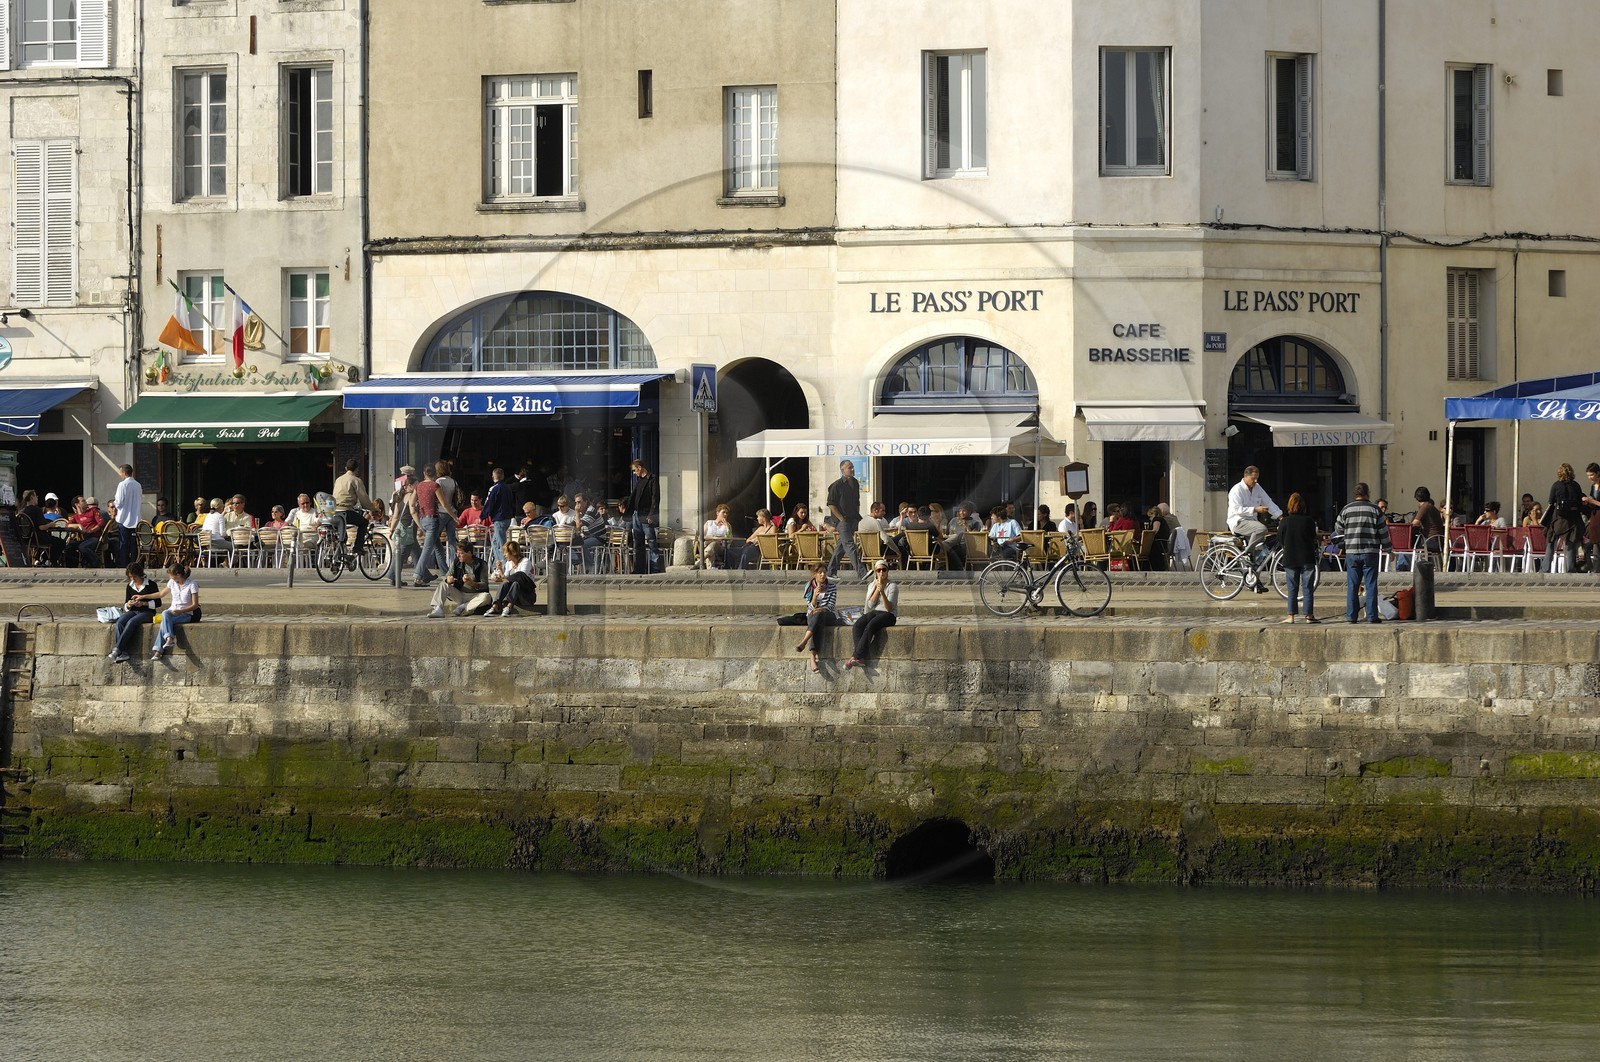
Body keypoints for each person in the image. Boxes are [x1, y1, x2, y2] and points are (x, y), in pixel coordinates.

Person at [1334, 482, 1386, 624]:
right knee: (1371, 584)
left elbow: (1338, 529)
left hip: (1351, 551)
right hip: (1370, 552)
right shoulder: (1375, 510)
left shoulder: (1346, 509)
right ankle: (1371, 616)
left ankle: (1351, 616)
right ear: (1367, 493)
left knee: (1352, 585)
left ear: (1355, 494)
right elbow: (1383, 531)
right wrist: (1388, 549)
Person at [845, 559, 899, 670]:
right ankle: (860, 657)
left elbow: (889, 608)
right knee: (858, 626)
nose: (881, 573)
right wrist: (877, 589)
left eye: (884, 570)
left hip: (888, 615)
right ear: (875, 572)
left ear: (887, 571)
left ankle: (856, 656)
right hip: (875, 612)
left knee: (871, 626)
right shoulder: (872, 585)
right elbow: (870, 604)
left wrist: (883, 592)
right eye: (878, 570)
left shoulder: (892, 586)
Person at [1277, 492, 1320, 624]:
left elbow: (1280, 539)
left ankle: (1291, 616)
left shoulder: (1285, 521)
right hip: (1307, 557)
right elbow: (1314, 538)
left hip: (1290, 557)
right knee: (1307, 587)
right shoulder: (1309, 521)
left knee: (1292, 587)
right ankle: (1309, 615)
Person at [107, 562, 163, 663]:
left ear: (140, 575)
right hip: (134, 610)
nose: (133, 579)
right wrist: (129, 604)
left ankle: (117, 649)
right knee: (120, 622)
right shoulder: (130, 586)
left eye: (134, 577)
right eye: (130, 577)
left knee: (131, 622)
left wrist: (143, 604)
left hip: (147, 612)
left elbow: (158, 603)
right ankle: (123, 653)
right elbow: (126, 605)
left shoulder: (151, 585)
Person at [791, 562, 838, 673]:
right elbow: (810, 607)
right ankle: (812, 658)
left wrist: (820, 609)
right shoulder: (810, 587)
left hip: (828, 615)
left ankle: (804, 641)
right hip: (814, 616)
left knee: (818, 615)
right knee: (817, 621)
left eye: (824, 572)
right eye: (820, 572)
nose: (822, 575)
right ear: (815, 574)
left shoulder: (832, 587)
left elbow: (830, 606)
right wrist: (815, 597)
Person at [1227, 465, 1281, 561]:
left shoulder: (1257, 487)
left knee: (1261, 552)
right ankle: (1248, 553)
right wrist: (1255, 509)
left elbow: (1267, 501)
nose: (1255, 481)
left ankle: (1251, 568)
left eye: (1257, 478)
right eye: (1253, 478)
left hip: (1252, 522)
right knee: (1261, 529)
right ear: (1246, 476)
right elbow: (1237, 509)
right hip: (1238, 521)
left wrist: (1279, 516)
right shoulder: (1236, 490)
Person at [825, 460, 866, 579]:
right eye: (849, 467)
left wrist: (857, 515)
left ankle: (831, 571)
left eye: (852, 467)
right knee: (849, 545)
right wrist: (841, 518)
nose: (852, 469)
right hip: (842, 521)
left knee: (841, 547)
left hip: (853, 519)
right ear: (842, 470)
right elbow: (831, 504)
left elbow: (857, 500)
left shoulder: (855, 483)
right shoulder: (836, 485)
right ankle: (861, 572)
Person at [427, 541, 491, 618]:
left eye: (461, 553)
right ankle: (438, 609)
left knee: (486, 597)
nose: (458, 555)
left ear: (469, 553)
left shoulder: (481, 564)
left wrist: (473, 583)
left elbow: (484, 584)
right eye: (457, 553)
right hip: (460, 594)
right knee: (443, 585)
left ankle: (464, 607)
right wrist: (448, 580)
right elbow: (446, 576)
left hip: (475, 596)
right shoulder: (457, 562)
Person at [151, 561, 201, 658]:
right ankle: (168, 639)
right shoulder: (172, 583)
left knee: (165, 619)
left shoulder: (192, 584)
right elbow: (161, 594)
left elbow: (195, 605)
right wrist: (143, 596)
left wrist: (180, 611)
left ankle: (159, 649)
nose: (170, 579)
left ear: (178, 575)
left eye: (172, 576)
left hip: (186, 614)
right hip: (173, 612)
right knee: (166, 616)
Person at [1543, 462, 1584, 574]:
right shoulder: (1576, 485)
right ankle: (1571, 568)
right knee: (1570, 542)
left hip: (1558, 517)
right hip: (1573, 518)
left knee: (1551, 541)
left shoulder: (1556, 485)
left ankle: (1545, 568)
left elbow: (1551, 501)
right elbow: (1580, 502)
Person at [411, 464, 447, 587]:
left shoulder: (418, 486)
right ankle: (417, 576)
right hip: (433, 519)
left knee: (438, 548)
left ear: (424, 473)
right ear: (435, 474)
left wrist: (418, 523)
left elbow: (412, 504)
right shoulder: (435, 486)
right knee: (427, 549)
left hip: (423, 519)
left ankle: (446, 574)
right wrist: (453, 516)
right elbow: (443, 503)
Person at [333, 458, 376, 561]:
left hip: (334, 512)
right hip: (345, 511)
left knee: (343, 535)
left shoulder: (338, 479)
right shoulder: (356, 480)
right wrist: (373, 509)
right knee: (363, 522)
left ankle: (338, 559)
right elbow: (364, 499)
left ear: (346, 468)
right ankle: (358, 547)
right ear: (357, 469)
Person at [485, 540, 538, 617]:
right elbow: (506, 578)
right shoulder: (509, 563)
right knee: (505, 583)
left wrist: (504, 579)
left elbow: (521, 576)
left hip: (527, 595)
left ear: (513, 552)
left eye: (506, 552)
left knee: (516, 583)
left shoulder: (525, 561)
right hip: (513, 595)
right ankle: (495, 606)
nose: (504, 555)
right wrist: (500, 570)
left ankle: (509, 607)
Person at [626, 459, 660, 574]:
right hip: (636, 515)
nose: (634, 473)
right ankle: (639, 568)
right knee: (638, 543)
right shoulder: (639, 481)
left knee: (651, 542)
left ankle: (654, 568)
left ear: (640, 467)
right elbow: (633, 497)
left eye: (635, 470)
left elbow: (656, 498)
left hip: (646, 515)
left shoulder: (652, 479)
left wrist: (652, 515)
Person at [483, 467, 516, 575]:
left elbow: (489, 503)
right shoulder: (508, 488)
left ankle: (505, 567)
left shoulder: (494, 488)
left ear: (493, 477)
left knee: (501, 544)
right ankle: (497, 565)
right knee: (495, 542)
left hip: (499, 518)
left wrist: (483, 515)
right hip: (507, 518)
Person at [112, 463, 141, 568]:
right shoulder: (138, 485)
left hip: (124, 518)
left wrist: (115, 504)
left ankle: (124, 564)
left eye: (120, 472)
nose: (120, 474)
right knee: (133, 544)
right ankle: (134, 565)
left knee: (123, 543)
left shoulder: (122, 484)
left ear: (124, 472)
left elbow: (119, 502)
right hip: (135, 519)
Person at [1411, 486, 1445, 564]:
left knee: (1405, 544)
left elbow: (1415, 523)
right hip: (1437, 540)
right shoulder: (1431, 507)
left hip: (1431, 541)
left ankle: (1403, 567)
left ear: (1417, 497)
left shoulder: (1424, 507)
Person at [71, 496, 107, 567]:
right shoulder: (75, 516)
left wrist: (91, 530)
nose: (86, 502)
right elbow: (67, 525)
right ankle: (75, 564)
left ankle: (96, 562)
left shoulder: (93, 511)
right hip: (83, 538)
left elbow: (101, 522)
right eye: (83, 501)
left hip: (94, 537)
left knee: (82, 547)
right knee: (69, 546)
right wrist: (78, 525)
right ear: (77, 504)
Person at [701, 503, 736, 569]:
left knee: (714, 544)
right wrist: (712, 538)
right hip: (707, 545)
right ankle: (710, 569)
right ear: (717, 513)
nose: (725, 514)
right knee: (711, 549)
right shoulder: (709, 523)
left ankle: (700, 562)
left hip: (721, 547)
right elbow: (701, 536)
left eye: (727, 513)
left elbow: (730, 539)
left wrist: (726, 527)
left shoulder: (727, 525)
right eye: (723, 512)